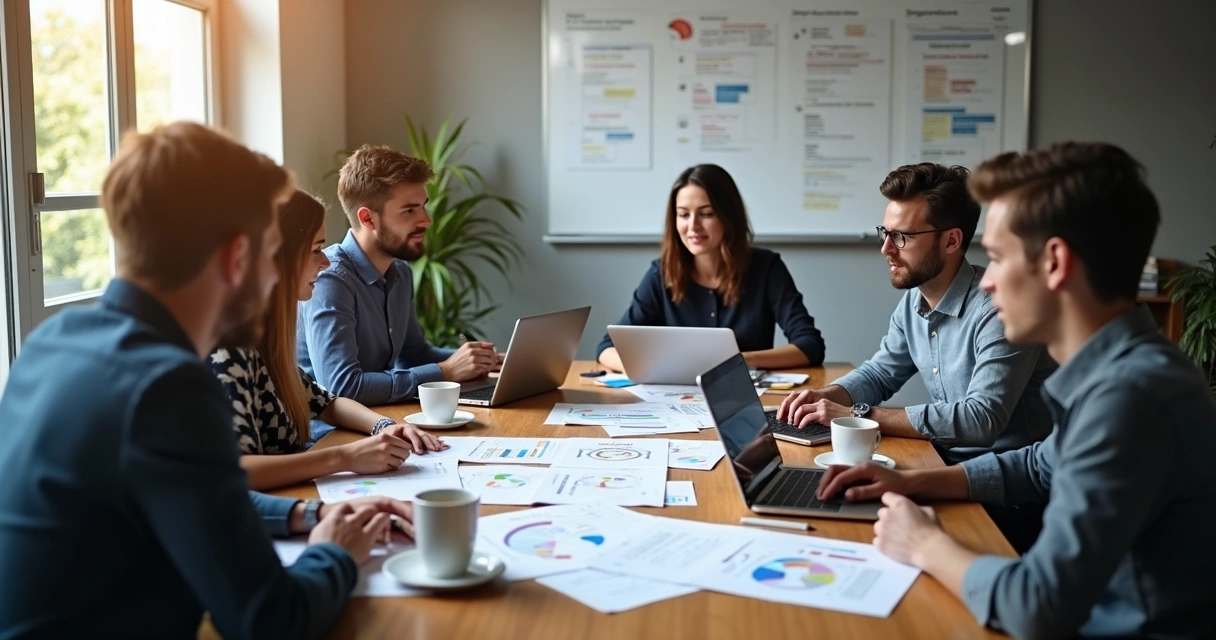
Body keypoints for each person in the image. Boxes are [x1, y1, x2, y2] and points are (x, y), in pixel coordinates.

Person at [0, 122, 413, 639]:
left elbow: (197, 499)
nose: (274, 278)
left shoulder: (52, 343)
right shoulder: (167, 387)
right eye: (270, 254)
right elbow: (270, 619)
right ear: (236, 258)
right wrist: (335, 553)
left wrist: (309, 516)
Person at [815, 142, 1216, 639]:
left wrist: (923, 544)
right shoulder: (1118, 373)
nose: (986, 283)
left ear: (1054, 263)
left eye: (1000, 258)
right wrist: (911, 484)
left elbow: (1037, 605)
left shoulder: (1130, 395)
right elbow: (1036, 465)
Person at [210, 190, 447, 491]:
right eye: (316, 249)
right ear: (277, 256)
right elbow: (236, 470)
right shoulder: (229, 347)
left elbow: (327, 402)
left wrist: (386, 426)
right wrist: (343, 457)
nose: (325, 262)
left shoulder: (264, 336)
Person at [297, 145, 498, 436]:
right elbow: (342, 387)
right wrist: (446, 371)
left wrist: (472, 360)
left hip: (385, 421)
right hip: (333, 436)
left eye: (423, 205)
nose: (426, 220)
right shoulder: (330, 279)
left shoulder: (399, 272)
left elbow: (414, 353)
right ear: (368, 219)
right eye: (409, 210)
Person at [596, 164, 825, 371]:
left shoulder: (767, 269)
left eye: (706, 214)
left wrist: (738, 362)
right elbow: (607, 348)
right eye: (683, 215)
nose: (693, 226)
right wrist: (652, 368)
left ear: (728, 217)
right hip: (676, 404)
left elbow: (810, 345)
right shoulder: (661, 274)